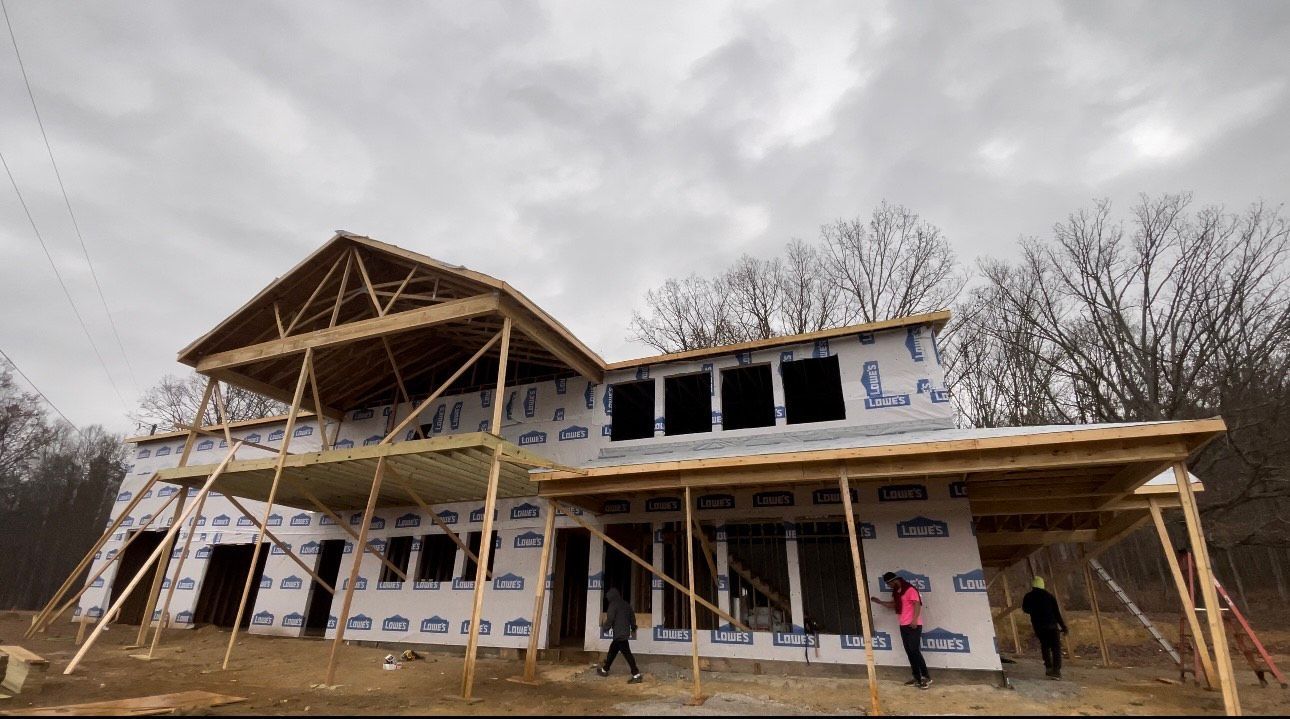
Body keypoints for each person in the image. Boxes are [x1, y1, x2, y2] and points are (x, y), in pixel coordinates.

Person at [871, 570, 931, 689]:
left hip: (913, 625)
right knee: (910, 651)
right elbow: (894, 605)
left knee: (914, 650)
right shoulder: (897, 592)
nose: (889, 586)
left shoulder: (909, 589)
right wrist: (880, 602)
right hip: (903, 624)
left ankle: (925, 677)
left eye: (889, 584)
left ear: (893, 581)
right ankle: (917, 677)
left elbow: (917, 604)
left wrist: (914, 619)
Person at [1022, 576, 1068, 679]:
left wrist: (1035, 610)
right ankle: (1056, 671)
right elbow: (1057, 614)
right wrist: (1063, 627)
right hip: (1052, 626)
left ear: (1033, 585)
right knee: (1056, 648)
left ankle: (1048, 667)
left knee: (1045, 646)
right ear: (1042, 585)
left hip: (1039, 627)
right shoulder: (1050, 597)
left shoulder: (1028, 596)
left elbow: (1025, 609)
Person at [597, 587, 642, 683]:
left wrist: (605, 628)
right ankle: (605, 669)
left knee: (627, 654)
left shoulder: (613, 605)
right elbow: (632, 617)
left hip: (619, 633)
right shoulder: (626, 604)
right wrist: (633, 627)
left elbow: (610, 618)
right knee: (613, 650)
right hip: (624, 632)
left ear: (611, 597)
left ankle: (636, 674)